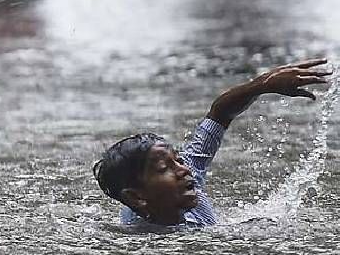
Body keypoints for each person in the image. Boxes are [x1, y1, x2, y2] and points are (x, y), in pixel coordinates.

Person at [93, 58, 331, 228]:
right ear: (136, 197)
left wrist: (263, 85)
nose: (184, 169)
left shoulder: (190, 174)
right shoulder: (137, 238)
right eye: (165, 168)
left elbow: (219, 113)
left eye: (178, 160)